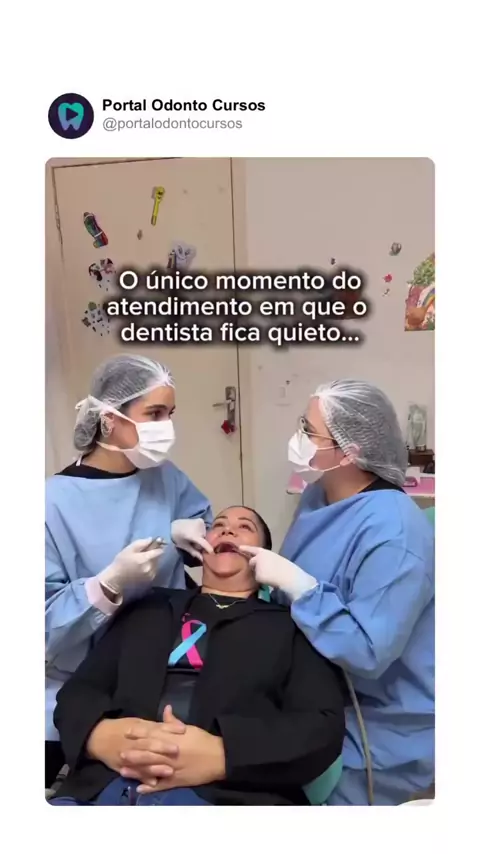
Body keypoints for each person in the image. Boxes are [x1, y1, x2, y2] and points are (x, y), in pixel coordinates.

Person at [49, 505, 345, 806]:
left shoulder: (289, 627)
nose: (228, 529)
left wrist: (223, 756)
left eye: (245, 526)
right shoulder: (149, 608)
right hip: (105, 788)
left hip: (228, 797)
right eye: (218, 525)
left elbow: (321, 727)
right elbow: (79, 693)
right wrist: (100, 737)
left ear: (265, 556)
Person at [240, 379, 434, 806]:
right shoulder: (321, 494)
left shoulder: (395, 533)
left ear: (350, 452)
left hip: (379, 719)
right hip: (313, 684)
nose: (298, 438)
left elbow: (368, 652)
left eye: (309, 431)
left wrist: (302, 589)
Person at [45, 355, 213, 787]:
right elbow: (41, 626)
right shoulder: (52, 503)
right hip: (87, 678)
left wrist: (189, 538)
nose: (166, 427)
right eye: (154, 414)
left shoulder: (165, 476)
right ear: (108, 420)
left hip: (169, 667)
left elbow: (204, 526)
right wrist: (106, 586)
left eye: (170, 413)